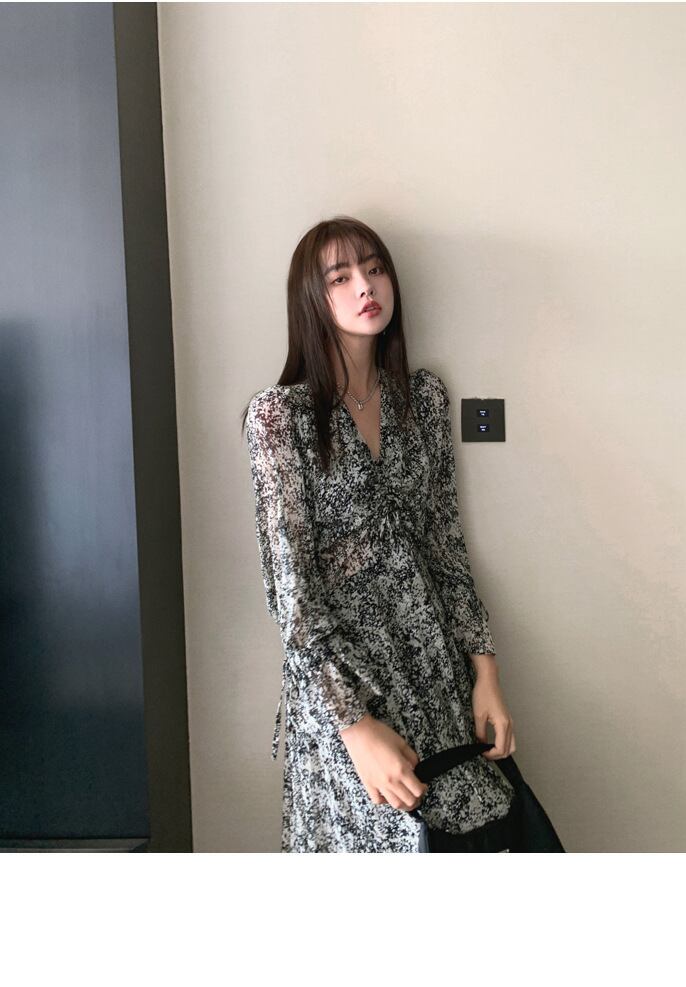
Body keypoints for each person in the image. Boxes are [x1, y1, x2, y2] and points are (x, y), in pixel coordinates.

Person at [241, 215, 517, 852]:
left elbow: (445, 547)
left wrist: (487, 673)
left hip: (434, 666)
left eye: (374, 268)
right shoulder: (280, 418)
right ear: (311, 299)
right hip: (344, 684)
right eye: (340, 277)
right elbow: (291, 594)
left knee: (467, 845)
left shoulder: (421, 399)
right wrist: (355, 726)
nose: (365, 286)